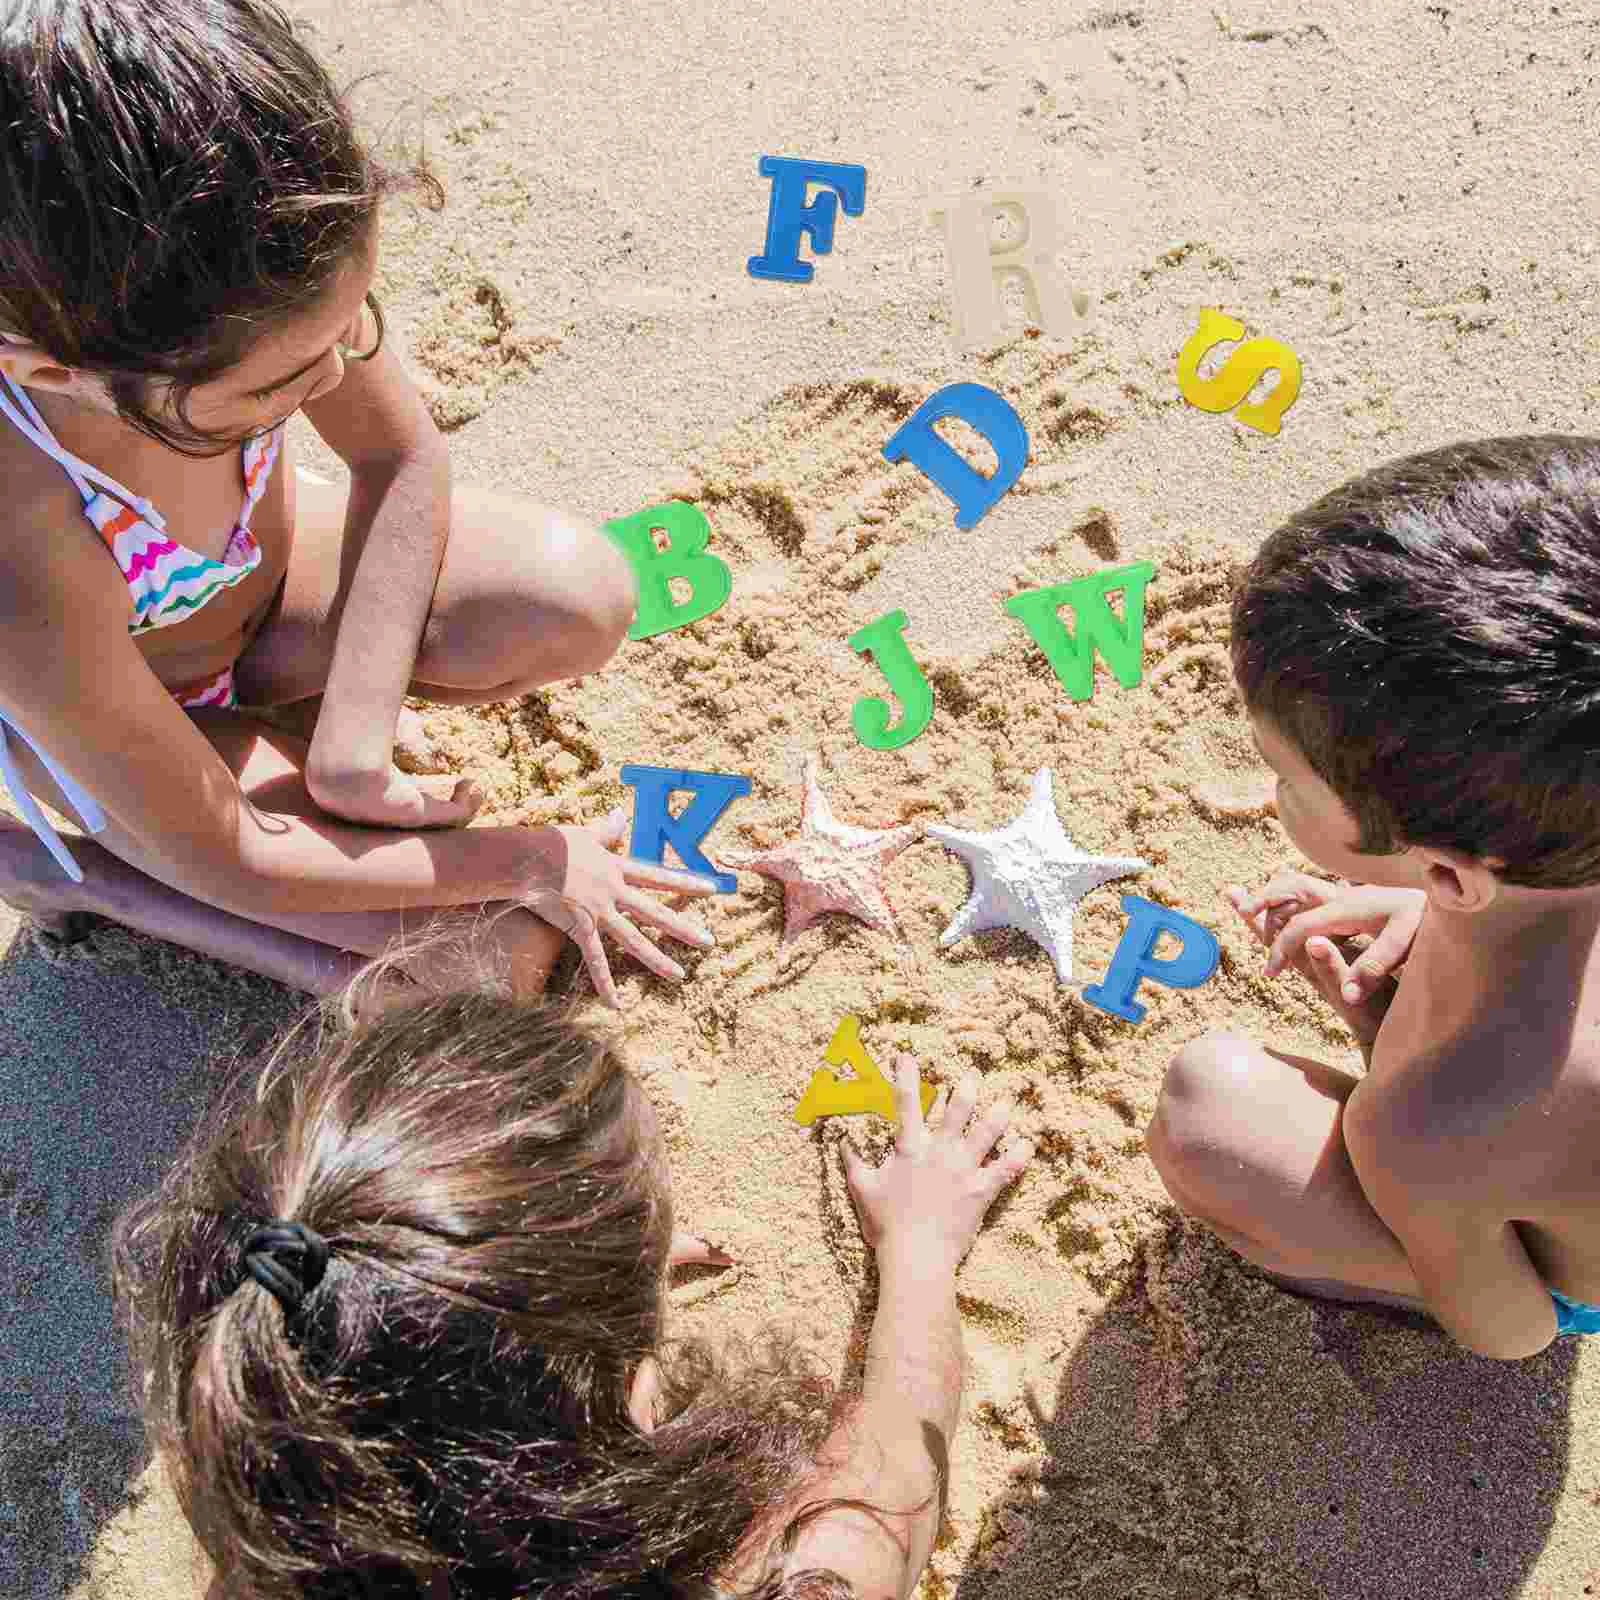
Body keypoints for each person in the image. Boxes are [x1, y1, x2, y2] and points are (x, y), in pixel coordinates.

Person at [0, 0, 711, 1007]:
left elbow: (400, 455)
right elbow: (232, 853)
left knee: (577, 595)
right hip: (135, 720)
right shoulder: (21, 547)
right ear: (57, 372)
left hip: (267, 592)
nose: (338, 369)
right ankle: (81, 873)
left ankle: (287, 744)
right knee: (485, 966)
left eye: (351, 323)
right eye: (274, 389)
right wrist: (531, 859)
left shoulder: (261, 269)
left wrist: (350, 749)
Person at [111, 950, 1035, 1599]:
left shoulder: (285, 1511)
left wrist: (526, 1293)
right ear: (623, 1373)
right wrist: (919, 1247)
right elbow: (885, 1492)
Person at [1146, 434, 1600, 1360]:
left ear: (1449, 873)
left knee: (1207, 1115)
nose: (1273, 794)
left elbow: (1509, 1333)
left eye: (1285, 779)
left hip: (1549, 1283)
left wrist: (1411, 1142)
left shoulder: (1422, 1124)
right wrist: (1418, 919)